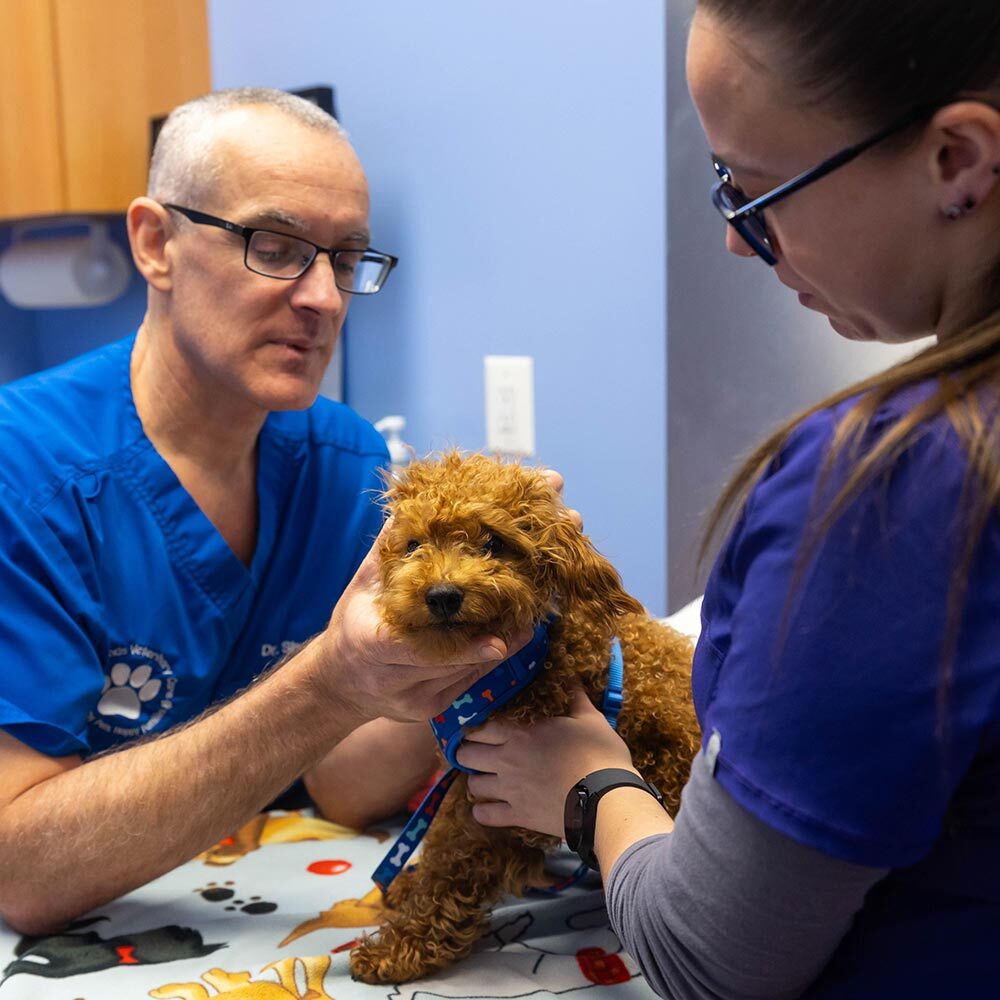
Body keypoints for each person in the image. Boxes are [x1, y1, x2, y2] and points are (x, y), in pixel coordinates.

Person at [460, 2, 1000, 996]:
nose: (738, 244)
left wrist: (589, 783)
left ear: (955, 159)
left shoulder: (893, 491)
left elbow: (709, 958)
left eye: (755, 190)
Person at [0, 88, 530, 937]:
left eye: (347, 258)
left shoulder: (344, 462)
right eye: (275, 247)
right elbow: (20, 871)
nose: (324, 298)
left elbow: (343, 784)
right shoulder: (24, 474)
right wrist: (328, 684)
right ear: (154, 244)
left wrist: (477, 655)